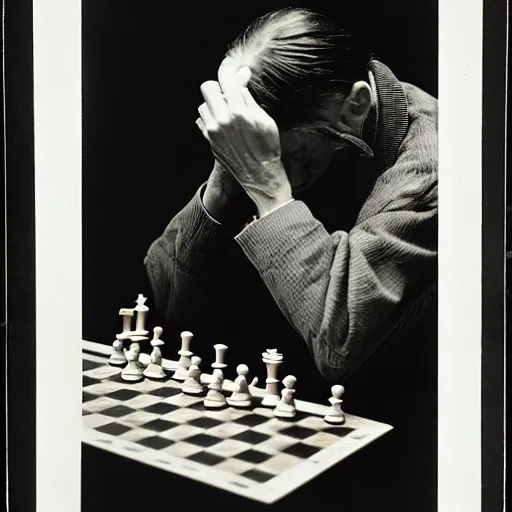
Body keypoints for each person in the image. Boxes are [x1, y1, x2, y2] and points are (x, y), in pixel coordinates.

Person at [145, 8, 438, 510]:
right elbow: (166, 301)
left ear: (356, 106)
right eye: (263, 150)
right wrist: (224, 177)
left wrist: (264, 180)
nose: (274, 164)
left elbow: (341, 341)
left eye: (288, 153)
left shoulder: (433, 170)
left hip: (399, 455)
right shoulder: (273, 135)